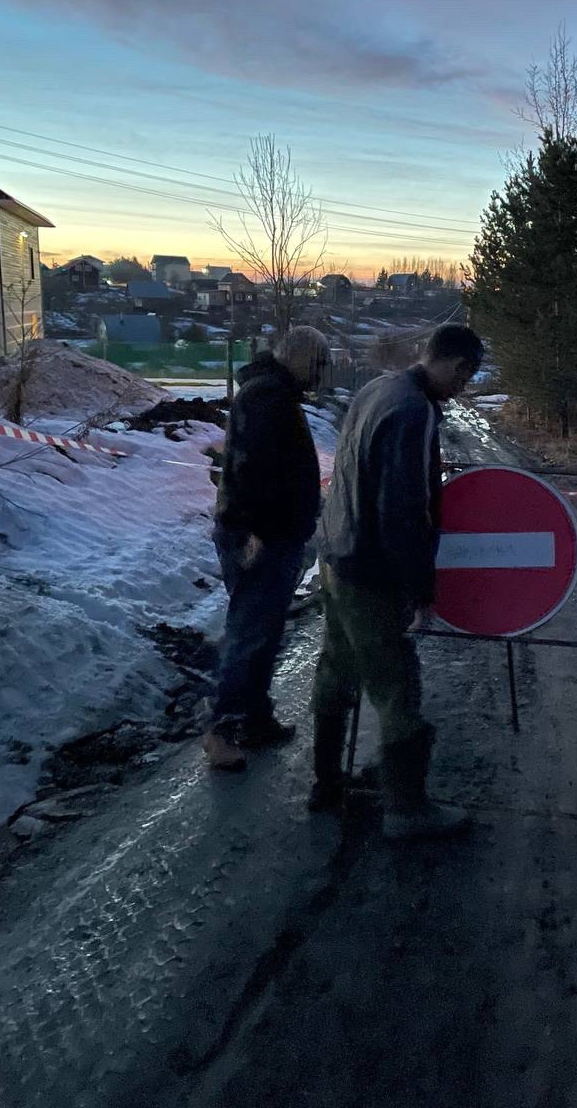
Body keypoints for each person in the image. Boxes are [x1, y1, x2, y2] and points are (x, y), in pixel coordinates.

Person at [311, 323, 485, 841]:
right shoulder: (413, 411)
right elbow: (402, 511)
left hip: (338, 557)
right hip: (371, 573)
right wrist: (421, 591)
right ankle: (407, 809)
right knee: (397, 687)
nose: (462, 391)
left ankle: (326, 784)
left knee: (336, 670)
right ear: (456, 367)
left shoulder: (378, 389)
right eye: (465, 379)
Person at [203, 326, 329, 771]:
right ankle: (221, 730)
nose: (321, 375)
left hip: (271, 533)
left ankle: (255, 719)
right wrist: (253, 532)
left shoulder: (272, 393)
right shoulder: (267, 398)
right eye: (318, 365)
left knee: (264, 631)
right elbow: (251, 469)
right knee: (250, 632)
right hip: (259, 537)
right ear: (298, 359)